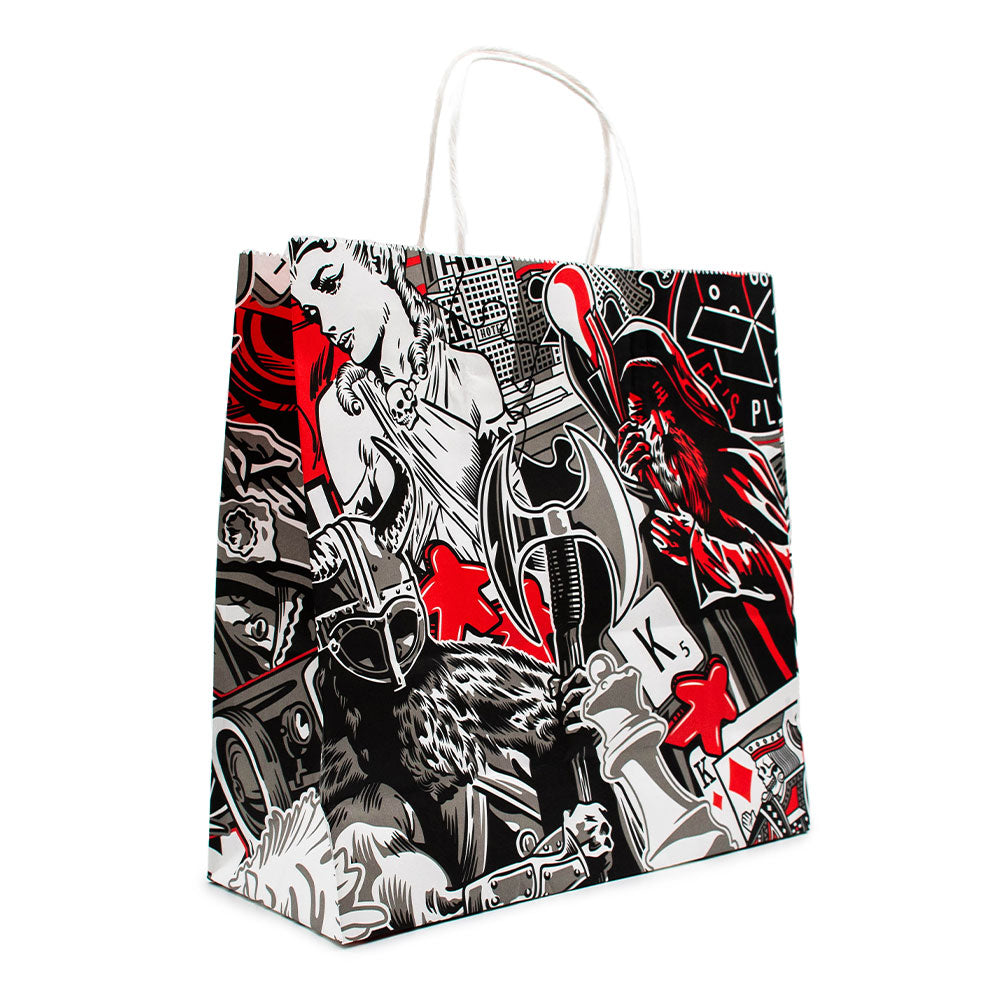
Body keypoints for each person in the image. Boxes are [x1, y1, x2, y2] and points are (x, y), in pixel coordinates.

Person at [289, 238, 513, 560]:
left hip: (513, 581)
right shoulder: (340, 411)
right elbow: (371, 557)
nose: (326, 326)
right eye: (312, 312)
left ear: (379, 260)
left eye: (331, 284)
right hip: (427, 589)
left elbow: (517, 508)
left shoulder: (469, 373)